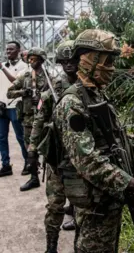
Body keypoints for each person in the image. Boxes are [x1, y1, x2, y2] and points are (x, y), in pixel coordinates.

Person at [52, 29, 134, 252]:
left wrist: (130, 141)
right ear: (88, 59)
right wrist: (127, 182)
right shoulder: (72, 103)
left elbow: (105, 137)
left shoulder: (95, 95)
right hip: (95, 202)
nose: (112, 67)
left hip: (107, 199)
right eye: (107, 60)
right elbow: (85, 159)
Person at [26, 41, 78, 252]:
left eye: (73, 60)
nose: (69, 65)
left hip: (82, 158)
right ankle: (51, 246)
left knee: (83, 206)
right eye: (64, 61)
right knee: (55, 205)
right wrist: (32, 150)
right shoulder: (55, 88)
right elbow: (39, 119)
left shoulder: (89, 87)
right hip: (58, 156)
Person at [7, 47, 49, 191]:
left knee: (50, 150)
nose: (31, 62)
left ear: (41, 60)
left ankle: (54, 181)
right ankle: (34, 178)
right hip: (28, 119)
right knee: (30, 151)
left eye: (34, 59)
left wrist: (44, 96)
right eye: (29, 59)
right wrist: (23, 92)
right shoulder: (24, 76)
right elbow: (9, 93)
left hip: (45, 119)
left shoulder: (49, 77)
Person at [0, 41, 28, 177]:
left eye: (11, 49)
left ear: (18, 50)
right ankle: (5, 165)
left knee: (20, 136)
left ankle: (28, 163)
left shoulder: (24, 67)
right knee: (1, 138)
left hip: (15, 106)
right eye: (7, 49)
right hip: (2, 107)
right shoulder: (3, 66)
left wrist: (2, 68)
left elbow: (14, 82)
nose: (8, 52)